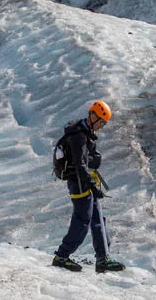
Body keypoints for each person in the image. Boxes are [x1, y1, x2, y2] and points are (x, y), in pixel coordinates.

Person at [51, 100, 125, 273]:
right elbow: (80, 165)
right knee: (82, 220)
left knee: (98, 219)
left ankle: (103, 258)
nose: (102, 126)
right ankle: (62, 256)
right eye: (101, 122)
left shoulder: (85, 133)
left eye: (104, 123)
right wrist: (92, 186)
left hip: (84, 181)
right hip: (79, 183)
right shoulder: (79, 136)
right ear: (93, 116)